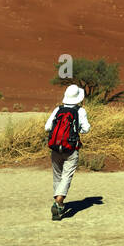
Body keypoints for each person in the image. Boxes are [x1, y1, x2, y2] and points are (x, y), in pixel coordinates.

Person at [44, 85, 90, 220]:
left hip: (55, 148)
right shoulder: (80, 111)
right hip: (71, 149)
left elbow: (47, 127)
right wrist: (76, 131)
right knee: (67, 176)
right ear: (78, 98)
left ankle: (59, 204)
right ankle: (58, 202)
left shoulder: (58, 109)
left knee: (57, 175)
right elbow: (86, 129)